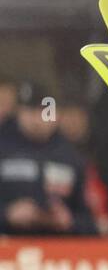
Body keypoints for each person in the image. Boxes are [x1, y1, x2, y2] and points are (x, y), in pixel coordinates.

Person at [0, 81, 97, 236]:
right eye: (30, 111)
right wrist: (7, 214)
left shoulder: (71, 157)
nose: (37, 119)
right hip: (8, 242)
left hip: (56, 244)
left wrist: (69, 220)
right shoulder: (3, 149)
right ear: (18, 112)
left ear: (57, 114)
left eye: (46, 111)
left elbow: (91, 223)